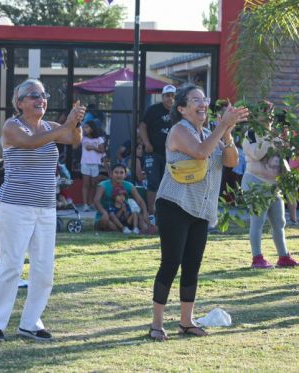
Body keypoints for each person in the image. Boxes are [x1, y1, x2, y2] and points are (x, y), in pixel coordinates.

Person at [0, 78, 85, 342]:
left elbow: (73, 138)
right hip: (15, 205)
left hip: (46, 207)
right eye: (33, 95)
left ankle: (31, 322)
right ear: (20, 102)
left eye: (43, 94)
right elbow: (32, 143)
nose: (40, 99)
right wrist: (67, 124)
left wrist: (76, 122)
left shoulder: (50, 126)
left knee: (44, 269)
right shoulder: (12, 126)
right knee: (11, 265)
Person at [149, 84, 248, 341]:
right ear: (181, 109)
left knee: (192, 265)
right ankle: (156, 324)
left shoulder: (208, 132)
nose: (203, 103)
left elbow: (231, 161)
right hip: (174, 204)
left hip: (201, 209)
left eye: (204, 99)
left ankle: (186, 322)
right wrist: (220, 127)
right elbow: (202, 152)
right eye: (196, 100)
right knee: (171, 263)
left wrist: (226, 132)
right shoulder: (179, 130)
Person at [241, 100, 299, 269]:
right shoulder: (251, 134)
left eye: (271, 112)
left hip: (274, 186)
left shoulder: (276, 133)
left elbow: (284, 156)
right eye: (265, 112)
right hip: (255, 183)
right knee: (257, 221)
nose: (269, 116)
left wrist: (285, 140)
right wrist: (271, 138)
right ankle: (257, 258)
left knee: (279, 221)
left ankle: (283, 256)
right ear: (256, 115)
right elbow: (257, 154)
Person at [139, 84, 176, 220]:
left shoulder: (180, 111)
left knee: (171, 182)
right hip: (153, 152)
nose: (170, 99)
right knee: (153, 181)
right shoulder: (153, 110)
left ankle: (168, 213)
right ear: (162, 97)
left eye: (173, 96)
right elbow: (142, 126)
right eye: (167, 96)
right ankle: (151, 214)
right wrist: (146, 143)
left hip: (172, 153)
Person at [94, 163, 150, 233]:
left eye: (121, 173)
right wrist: (104, 213)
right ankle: (122, 229)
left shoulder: (129, 185)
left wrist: (145, 214)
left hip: (125, 217)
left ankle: (128, 229)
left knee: (144, 227)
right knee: (108, 223)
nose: (119, 175)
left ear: (125, 175)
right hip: (107, 216)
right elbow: (96, 201)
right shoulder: (103, 185)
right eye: (116, 172)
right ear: (111, 174)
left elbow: (140, 201)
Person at [78, 120, 105, 212]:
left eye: (87, 127)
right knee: (86, 184)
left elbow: (102, 150)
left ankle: (91, 203)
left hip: (95, 164)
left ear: (92, 129)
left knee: (94, 184)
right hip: (85, 163)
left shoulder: (99, 139)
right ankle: (85, 204)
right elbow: (74, 145)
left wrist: (93, 147)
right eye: (84, 127)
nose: (85, 129)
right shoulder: (83, 138)